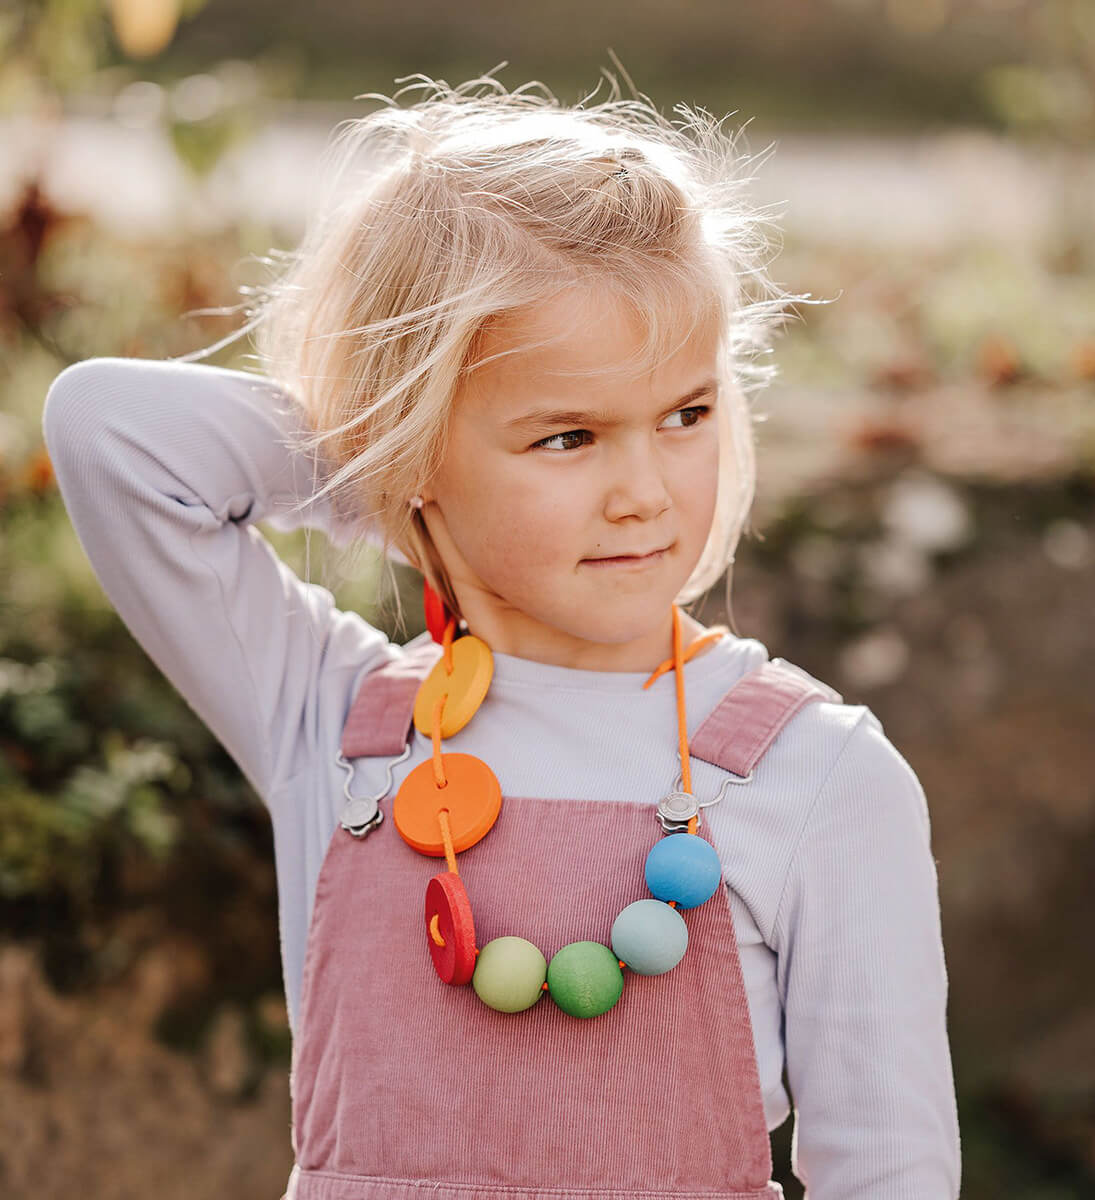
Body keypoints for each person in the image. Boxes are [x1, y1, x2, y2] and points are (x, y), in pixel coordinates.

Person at [42, 72, 960, 1199]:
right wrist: (398, 474)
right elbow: (109, 433)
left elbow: (894, 1173)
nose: (644, 493)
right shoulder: (334, 722)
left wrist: (457, 476)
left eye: (687, 413)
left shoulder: (820, 778)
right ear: (421, 442)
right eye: (568, 436)